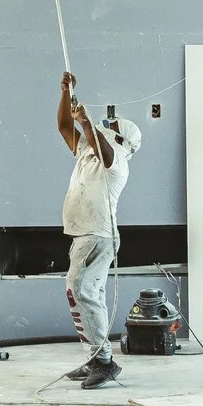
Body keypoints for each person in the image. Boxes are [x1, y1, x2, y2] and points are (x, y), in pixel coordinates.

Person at [56, 71, 140, 389]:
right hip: (85, 235)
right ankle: (97, 358)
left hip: (97, 235)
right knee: (88, 296)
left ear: (120, 140)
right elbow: (65, 127)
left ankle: (103, 361)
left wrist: (88, 122)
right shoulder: (87, 152)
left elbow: (101, 146)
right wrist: (66, 92)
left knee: (80, 291)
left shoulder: (117, 161)